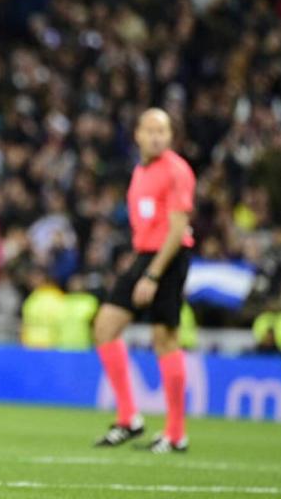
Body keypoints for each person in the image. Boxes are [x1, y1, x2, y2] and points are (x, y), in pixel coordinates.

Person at [92, 108, 195, 453]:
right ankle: (128, 419)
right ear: (137, 134)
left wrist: (152, 274)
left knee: (164, 338)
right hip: (145, 255)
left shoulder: (177, 170)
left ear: (170, 136)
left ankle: (176, 434)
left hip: (169, 255)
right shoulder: (140, 171)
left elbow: (178, 228)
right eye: (150, 130)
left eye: (162, 131)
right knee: (105, 326)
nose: (156, 136)